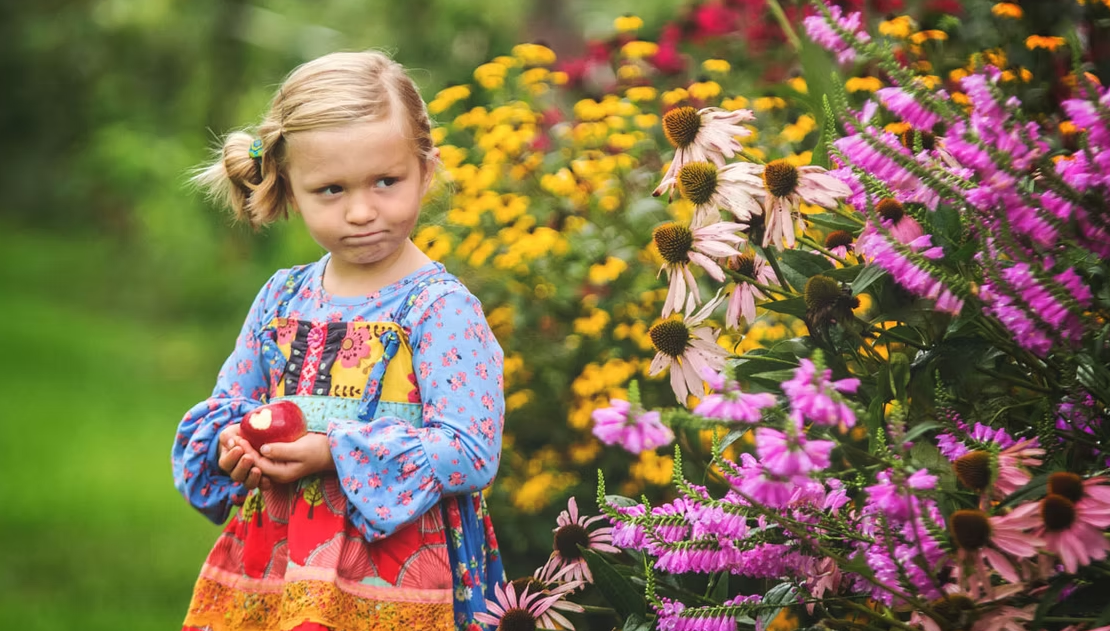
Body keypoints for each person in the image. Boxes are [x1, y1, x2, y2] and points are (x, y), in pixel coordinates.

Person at [172, 50, 505, 631]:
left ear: (425, 170)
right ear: (291, 189)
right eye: (330, 189)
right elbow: (233, 403)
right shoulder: (282, 299)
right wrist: (235, 445)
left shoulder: (437, 310)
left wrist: (334, 453)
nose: (360, 211)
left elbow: (470, 451)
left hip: (396, 574)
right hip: (277, 565)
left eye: (385, 181)